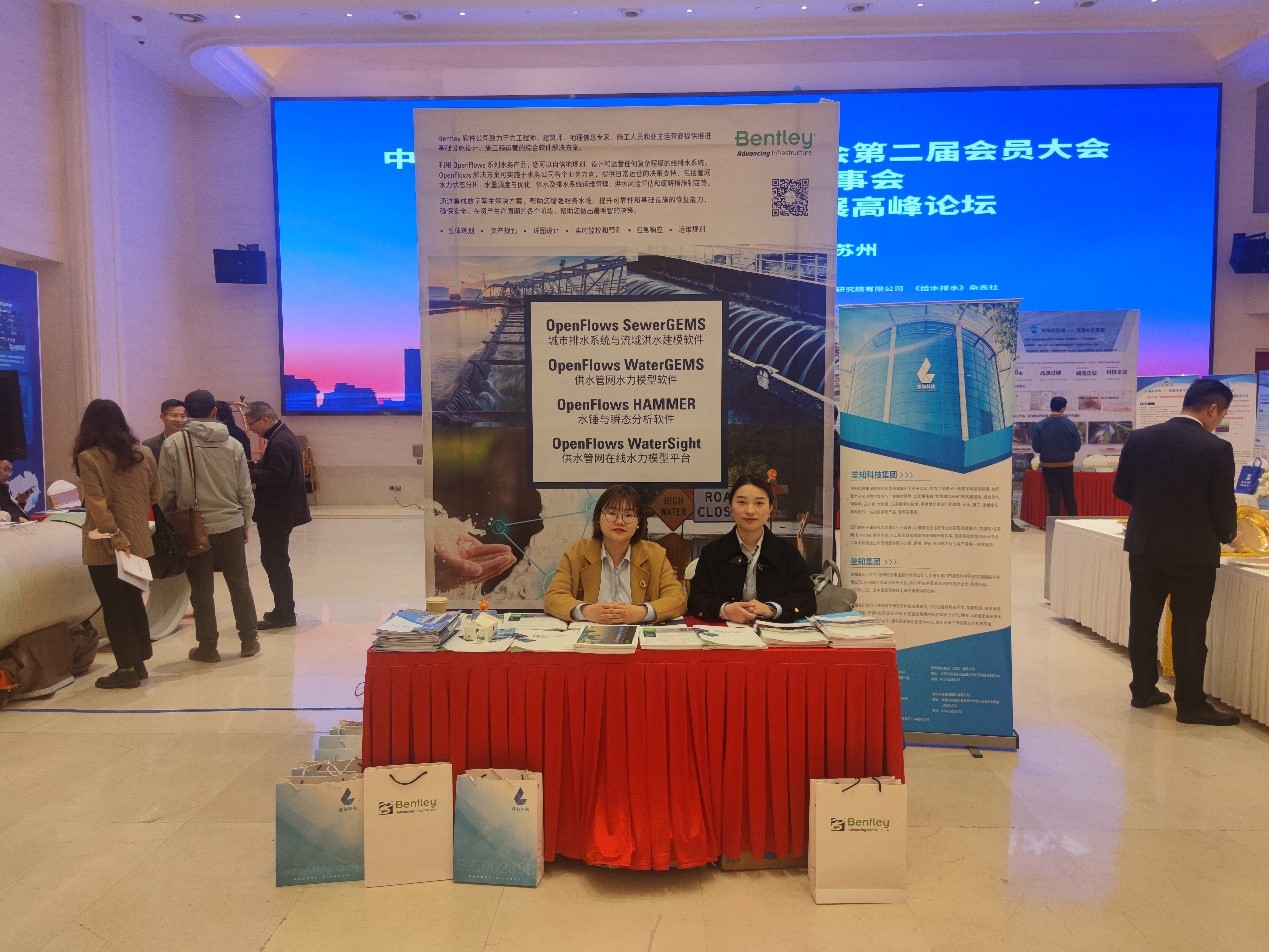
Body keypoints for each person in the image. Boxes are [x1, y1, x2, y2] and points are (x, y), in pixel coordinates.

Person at [1112, 377, 1239, 726]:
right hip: (1192, 552)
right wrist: (1229, 534)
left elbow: (1121, 488)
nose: (1219, 422)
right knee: (1189, 628)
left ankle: (1142, 690)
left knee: (1143, 621)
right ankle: (1190, 704)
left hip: (1145, 544)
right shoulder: (1216, 448)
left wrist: (1152, 508)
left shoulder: (1140, 438)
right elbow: (1222, 504)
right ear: (1212, 409)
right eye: (1221, 415)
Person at [159, 388, 260, 662]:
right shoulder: (233, 445)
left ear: (186, 413)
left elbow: (166, 491)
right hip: (230, 522)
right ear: (214, 411)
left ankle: (208, 646)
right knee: (239, 583)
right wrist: (245, 522)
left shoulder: (174, 444)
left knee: (201, 589)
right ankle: (249, 639)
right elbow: (245, 490)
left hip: (194, 527)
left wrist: (171, 521)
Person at [72, 399, 161, 688]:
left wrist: (117, 537)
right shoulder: (144, 453)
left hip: (106, 545)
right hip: (139, 541)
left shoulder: (89, 457)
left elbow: (97, 504)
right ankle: (138, 662)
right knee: (133, 601)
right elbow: (156, 494)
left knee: (114, 606)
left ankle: (126, 670)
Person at [544, 485, 686, 624]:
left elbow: (677, 599)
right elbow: (553, 597)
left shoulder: (655, 555)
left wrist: (640, 613)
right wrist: (587, 611)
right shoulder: (578, 553)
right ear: (598, 518)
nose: (620, 521)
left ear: (638, 522)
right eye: (612, 513)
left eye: (628, 515)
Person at [687, 474, 817, 623]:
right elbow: (697, 599)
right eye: (741, 502)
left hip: (774, 632)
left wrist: (771, 609)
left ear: (770, 508)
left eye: (759, 503)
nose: (750, 510)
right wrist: (725, 609)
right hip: (726, 631)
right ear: (730, 506)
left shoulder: (788, 553)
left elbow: (806, 599)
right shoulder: (712, 553)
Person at [244, 401, 311, 629]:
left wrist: (249, 473)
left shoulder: (280, 441)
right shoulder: (281, 434)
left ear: (264, 418)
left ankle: (285, 614)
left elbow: (277, 477)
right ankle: (282, 609)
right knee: (275, 560)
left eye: (252, 423)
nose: (251, 429)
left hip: (277, 512)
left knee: (275, 562)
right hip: (280, 511)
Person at [1031, 396, 1082, 517]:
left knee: (1053, 496)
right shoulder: (1070, 424)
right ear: (1063, 409)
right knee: (1069, 496)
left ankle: (1054, 523)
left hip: (1048, 466)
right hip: (1066, 466)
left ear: (1050, 407)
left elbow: (1036, 448)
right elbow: (1077, 447)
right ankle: (1074, 521)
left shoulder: (1040, 425)